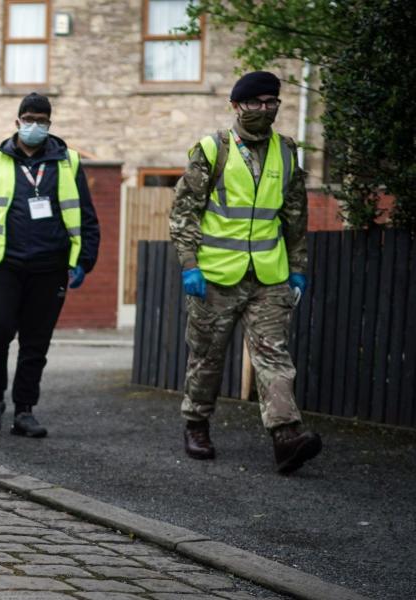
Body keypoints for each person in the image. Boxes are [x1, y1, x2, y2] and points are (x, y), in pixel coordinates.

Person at [169, 71, 322, 474]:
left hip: (269, 276)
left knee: (273, 356)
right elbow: (184, 213)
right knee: (207, 356)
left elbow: (295, 218)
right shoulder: (211, 150)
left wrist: (298, 269)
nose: (265, 109)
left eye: (272, 102)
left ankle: (286, 436)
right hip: (215, 276)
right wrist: (189, 265)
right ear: (236, 106)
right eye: (256, 102)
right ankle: (197, 423)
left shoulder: (287, 152)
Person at [0, 93, 100, 439]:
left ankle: (25, 410)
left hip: (50, 266)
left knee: (36, 342)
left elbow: (87, 216)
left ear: (50, 124)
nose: (34, 126)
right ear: (17, 121)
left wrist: (85, 260)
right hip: (2, 264)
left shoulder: (68, 161)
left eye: (41, 120)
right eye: (28, 119)